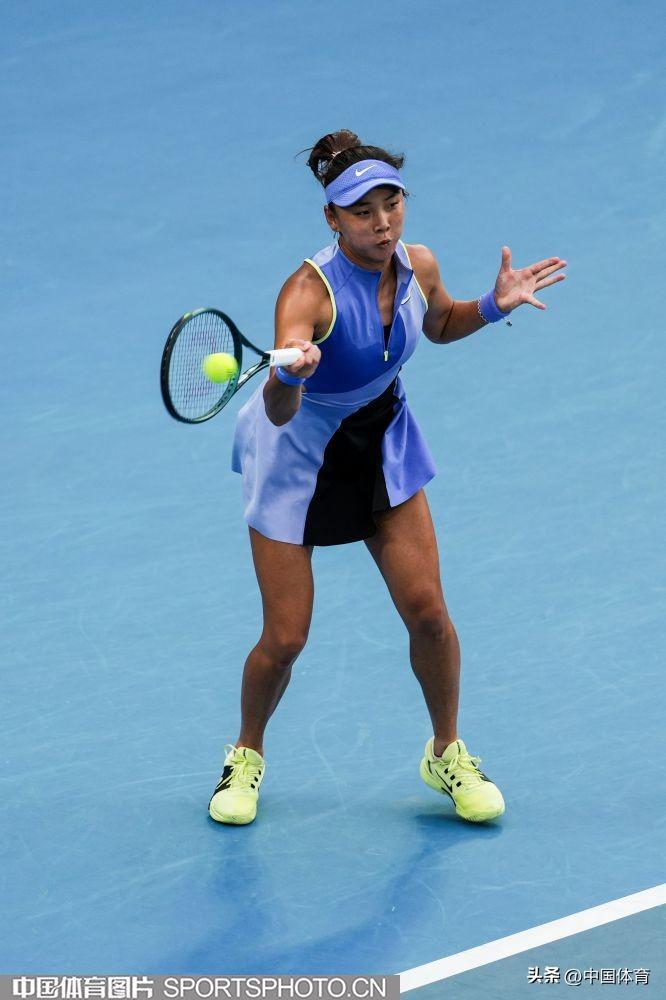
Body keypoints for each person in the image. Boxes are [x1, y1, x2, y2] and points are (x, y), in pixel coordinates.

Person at [208, 129, 566, 826]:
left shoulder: (418, 263)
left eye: (391, 205)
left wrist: (493, 305)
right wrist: (290, 376)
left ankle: (446, 752)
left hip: (381, 441)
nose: (381, 224)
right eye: (362, 211)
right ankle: (245, 755)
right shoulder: (306, 294)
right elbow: (278, 412)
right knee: (285, 639)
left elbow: (440, 323)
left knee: (429, 612)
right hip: (297, 456)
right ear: (332, 218)